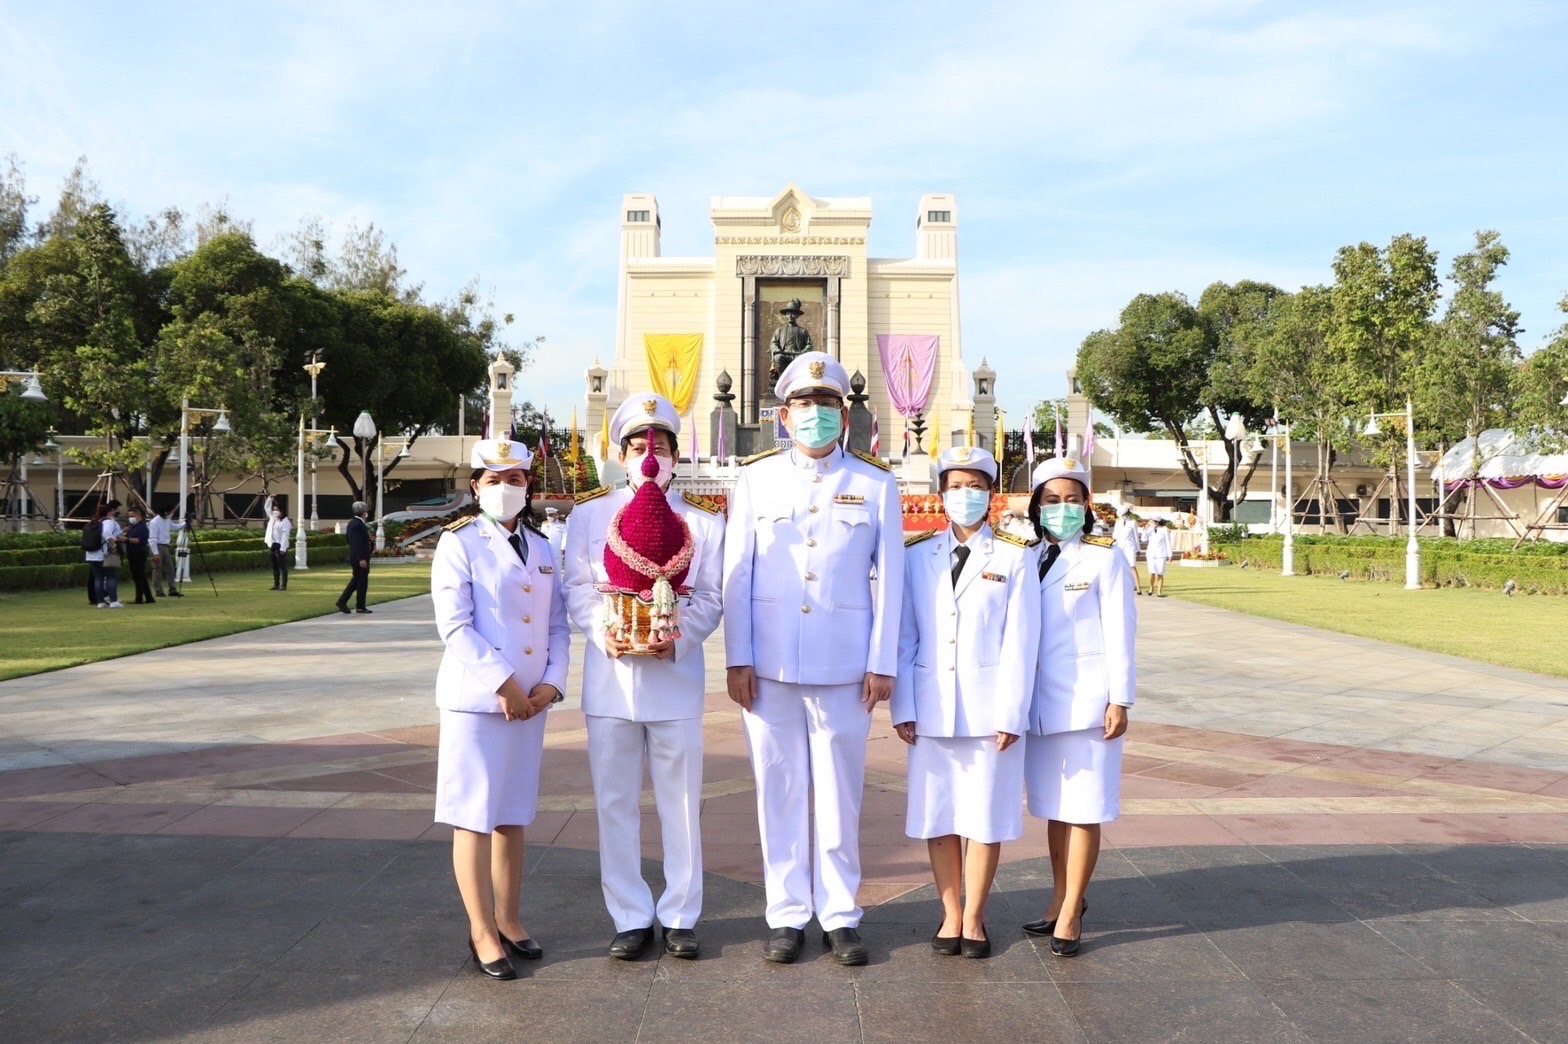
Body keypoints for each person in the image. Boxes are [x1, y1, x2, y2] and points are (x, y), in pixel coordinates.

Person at [722, 350, 904, 967]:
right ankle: (786, 913)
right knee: (778, 792)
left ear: (845, 414)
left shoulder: (877, 483)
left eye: (828, 405)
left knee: (840, 795)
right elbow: (736, 574)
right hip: (767, 668)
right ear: (783, 413)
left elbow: (892, 580)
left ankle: (840, 914)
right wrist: (737, 657)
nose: (817, 416)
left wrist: (883, 662)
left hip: (846, 668)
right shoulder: (755, 479)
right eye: (805, 405)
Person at [563, 394, 724, 961]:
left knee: (681, 804)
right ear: (622, 453)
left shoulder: (703, 522)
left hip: (674, 679)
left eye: (659, 446)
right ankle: (629, 914)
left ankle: (681, 913)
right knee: (615, 803)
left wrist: (675, 635)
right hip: (610, 680)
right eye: (637, 446)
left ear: (677, 455)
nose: (648, 455)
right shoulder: (588, 516)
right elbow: (577, 589)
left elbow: (709, 597)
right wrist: (604, 630)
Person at [892, 446, 1040, 960]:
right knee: (939, 817)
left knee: (984, 817)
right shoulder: (915, 557)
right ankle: (949, 912)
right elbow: (905, 639)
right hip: (930, 709)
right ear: (940, 495)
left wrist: (1012, 713)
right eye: (955, 486)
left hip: (988, 713)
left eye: (976, 486)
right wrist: (903, 707)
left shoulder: (1016, 556)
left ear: (992, 496)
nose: (965, 495)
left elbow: (1022, 644)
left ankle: (974, 917)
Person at [431, 437, 570, 981]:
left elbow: (557, 625)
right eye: (494, 480)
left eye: (515, 479)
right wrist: (505, 685)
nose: (505, 489)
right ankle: (481, 928)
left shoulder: (539, 547)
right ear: (475, 487)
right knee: (473, 818)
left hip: (530, 704)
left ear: (528, 486)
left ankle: (510, 919)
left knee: (512, 814)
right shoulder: (459, 543)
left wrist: (551, 687)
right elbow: (456, 626)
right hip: (479, 702)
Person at [1021, 456, 1137, 958]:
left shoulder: (1104, 557)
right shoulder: (1023, 556)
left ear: (1087, 505)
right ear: (1036, 505)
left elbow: (1121, 632)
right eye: (1051, 500)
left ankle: (1072, 912)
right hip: (1037, 705)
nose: (1062, 508)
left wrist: (1120, 698)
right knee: (1053, 808)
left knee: (1084, 809)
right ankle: (1058, 899)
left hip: (1089, 702)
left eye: (1071, 500)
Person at [85, 500, 124, 609]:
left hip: (91, 554)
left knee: (98, 578)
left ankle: (100, 602)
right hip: (105, 553)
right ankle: (113, 601)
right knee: (112, 576)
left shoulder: (93, 522)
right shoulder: (108, 522)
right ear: (107, 512)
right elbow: (106, 533)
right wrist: (114, 545)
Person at [337, 502, 372, 614]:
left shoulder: (353, 523)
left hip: (356, 557)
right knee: (361, 582)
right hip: (360, 559)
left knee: (356, 581)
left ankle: (342, 601)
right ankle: (360, 606)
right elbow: (357, 543)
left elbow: (350, 540)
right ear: (363, 512)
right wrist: (361, 558)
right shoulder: (357, 524)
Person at [124, 506, 156, 605]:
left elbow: (139, 540)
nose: (131, 518)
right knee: (140, 576)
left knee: (138, 576)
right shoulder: (133, 527)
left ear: (138, 514)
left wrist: (127, 539)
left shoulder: (142, 527)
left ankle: (139, 598)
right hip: (132, 552)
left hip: (138, 552)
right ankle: (149, 597)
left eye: (132, 515)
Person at [149, 505, 183, 598]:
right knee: (157, 569)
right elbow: (152, 539)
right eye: (171, 512)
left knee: (170, 568)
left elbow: (174, 527)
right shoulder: (154, 522)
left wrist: (185, 523)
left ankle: (172, 589)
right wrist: (155, 553)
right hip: (157, 546)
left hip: (164, 546)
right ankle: (158, 590)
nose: (172, 513)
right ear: (165, 512)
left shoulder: (167, 520)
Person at [1112, 506, 1144, 596]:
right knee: (1120, 567)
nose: (1122, 516)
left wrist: (1138, 549)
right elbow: (1115, 535)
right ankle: (1122, 586)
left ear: (1127, 514)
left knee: (1132, 566)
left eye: (1123, 514)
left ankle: (1138, 588)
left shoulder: (1133, 522)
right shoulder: (1118, 523)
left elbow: (1136, 537)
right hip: (1120, 547)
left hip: (1130, 547)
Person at [266, 503, 293, 591]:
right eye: (274, 509)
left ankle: (283, 585)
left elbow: (285, 536)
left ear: (281, 511)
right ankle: (276, 584)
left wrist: (283, 549)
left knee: (282, 566)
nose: (275, 511)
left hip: (280, 545)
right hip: (272, 544)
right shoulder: (273, 519)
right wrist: (269, 498)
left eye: (277, 510)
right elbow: (266, 508)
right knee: (274, 566)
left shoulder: (285, 522)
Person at [1146, 519, 1172, 597]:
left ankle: (1159, 592)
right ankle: (1151, 587)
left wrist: (1170, 554)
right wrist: (1145, 529)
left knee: (1160, 573)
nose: (1151, 523)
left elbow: (1168, 541)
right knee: (1151, 573)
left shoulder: (1164, 530)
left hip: (1161, 554)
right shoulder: (1149, 530)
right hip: (1151, 554)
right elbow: (1143, 539)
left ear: (1157, 522)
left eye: (1153, 522)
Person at [541, 505, 567, 573]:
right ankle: (547, 582)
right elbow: (541, 536)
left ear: (556, 515)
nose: (549, 517)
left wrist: (563, 547)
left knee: (557, 568)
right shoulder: (544, 524)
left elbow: (565, 536)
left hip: (557, 549)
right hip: (546, 549)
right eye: (548, 515)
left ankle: (557, 582)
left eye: (551, 515)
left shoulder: (562, 525)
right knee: (547, 567)